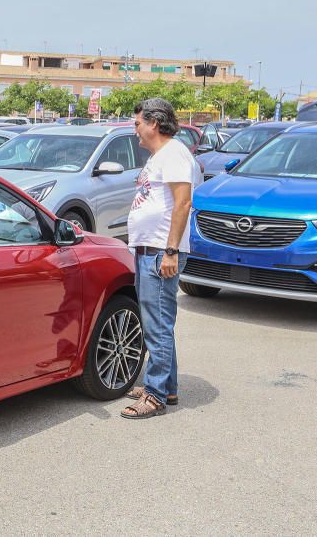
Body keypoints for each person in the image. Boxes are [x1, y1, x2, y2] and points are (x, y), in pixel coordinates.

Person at [121, 97, 200, 420]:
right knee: (157, 323)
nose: (135, 129)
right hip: (149, 250)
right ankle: (166, 385)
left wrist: (170, 251)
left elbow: (182, 203)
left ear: (154, 123)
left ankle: (154, 395)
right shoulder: (162, 156)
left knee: (158, 325)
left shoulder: (174, 154)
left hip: (159, 252)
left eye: (138, 123)